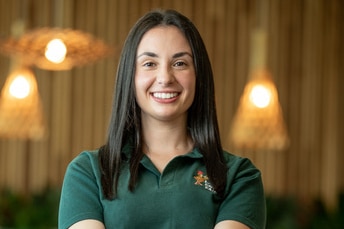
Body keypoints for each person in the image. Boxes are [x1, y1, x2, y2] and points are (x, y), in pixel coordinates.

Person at [58, 9, 266, 229]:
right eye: (149, 63)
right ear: (130, 76)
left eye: (180, 64)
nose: (165, 78)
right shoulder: (88, 172)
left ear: (198, 76)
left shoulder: (239, 176)